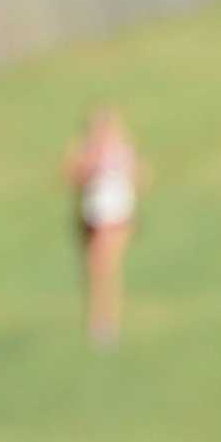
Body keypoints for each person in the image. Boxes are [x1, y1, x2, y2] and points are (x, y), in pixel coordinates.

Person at [62, 106, 143, 348]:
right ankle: (99, 319)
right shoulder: (85, 151)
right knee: (94, 268)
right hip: (92, 214)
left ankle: (106, 321)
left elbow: (139, 176)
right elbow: (69, 176)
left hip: (114, 214)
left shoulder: (122, 150)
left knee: (106, 266)